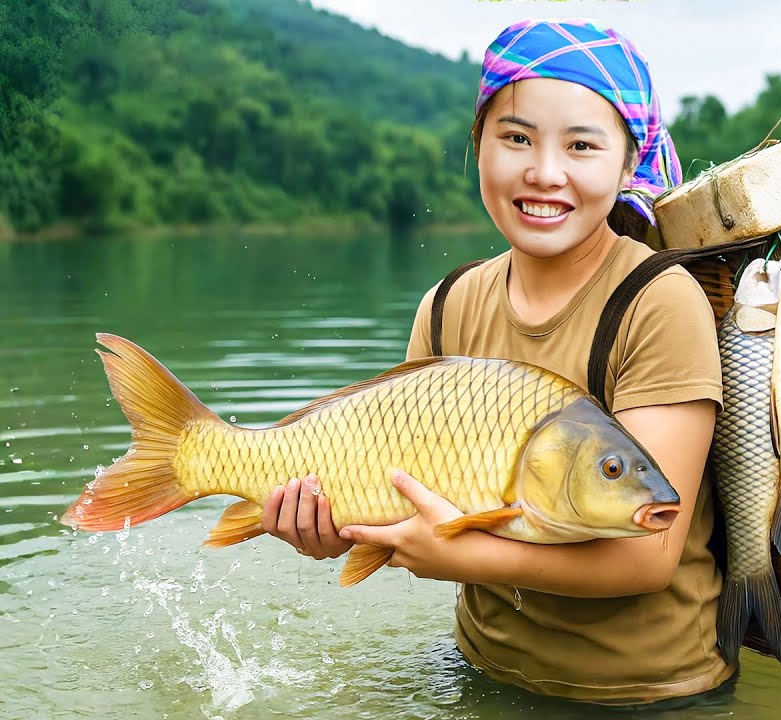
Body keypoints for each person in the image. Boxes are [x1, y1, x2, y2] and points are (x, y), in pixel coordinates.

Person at [260, 19, 734, 707]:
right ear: (476, 146)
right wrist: (338, 530)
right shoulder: (447, 305)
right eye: (516, 138)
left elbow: (648, 553)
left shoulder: (659, 302)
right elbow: (408, 503)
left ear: (629, 163)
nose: (545, 172)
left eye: (581, 145)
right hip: (479, 677)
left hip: (648, 695)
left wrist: (457, 558)